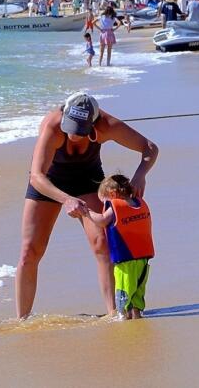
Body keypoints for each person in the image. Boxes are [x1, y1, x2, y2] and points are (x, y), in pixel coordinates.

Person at [17, 92, 159, 320]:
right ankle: (22, 320)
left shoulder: (107, 125)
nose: (73, 136)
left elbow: (150, 148)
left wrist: (140, 176)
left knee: (102, 243)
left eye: (80, 131)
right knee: (29, 252)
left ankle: (115, 313)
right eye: (70, 128)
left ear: (94, 123)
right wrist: (66, 199)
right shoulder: (52, 127)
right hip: (48, 183)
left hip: (87, 180)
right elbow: (36, 177)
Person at [85, 174, 155, 320]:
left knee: (124, 291)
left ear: (112, 194)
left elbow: (103, 220)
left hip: (125, 261)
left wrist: (86, 212)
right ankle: (136, 314)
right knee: (137, 291)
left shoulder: (115, 205)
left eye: (104, 201)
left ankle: (122, 318)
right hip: (143, 260)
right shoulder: (138, 203)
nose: (104, 205)